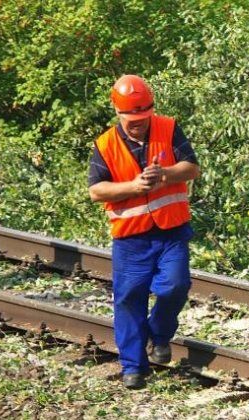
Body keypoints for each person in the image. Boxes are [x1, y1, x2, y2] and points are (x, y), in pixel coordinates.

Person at [88, 75, 200, 389]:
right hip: (131, 237)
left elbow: (191, 167)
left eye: (142, 119)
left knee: (175, 286)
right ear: (118, 113)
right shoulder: (105, 144)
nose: (138, 124)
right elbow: (96, 191)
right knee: (128, 299)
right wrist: (133, 187)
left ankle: (159, 334)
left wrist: (166, 174)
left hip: (171, 231)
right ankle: (134, 367)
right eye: (131, 120)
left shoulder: (168, 127)